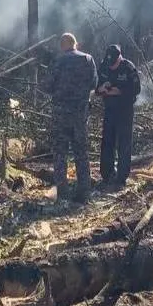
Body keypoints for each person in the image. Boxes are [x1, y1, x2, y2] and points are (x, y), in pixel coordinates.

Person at [46, 32, 97, 202]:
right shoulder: (88, 60)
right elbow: (94, 84)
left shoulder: (58, 61)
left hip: (60, 115)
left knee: (60, 153)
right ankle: (84, 192)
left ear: (62, 45)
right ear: (76, 44)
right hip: (80, 114)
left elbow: (47, 86)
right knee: (81, 152)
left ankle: (63, 193)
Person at [95, 44, 141, 190]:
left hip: (125, 110)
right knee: (107, 142)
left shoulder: (128, 67)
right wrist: (102, 89)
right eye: (110, 63)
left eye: (114, 63)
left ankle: (122, 177)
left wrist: (119, 91)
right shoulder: (104, 66)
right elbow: (95, 86)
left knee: (124, 143)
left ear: (120, 57)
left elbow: (136, 89)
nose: (112, 66)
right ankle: (107, 174)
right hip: (109, 109)